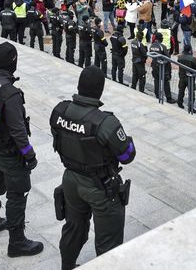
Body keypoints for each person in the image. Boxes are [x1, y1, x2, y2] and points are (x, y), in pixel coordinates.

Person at [50, 66, 135, 270]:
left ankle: (67, 266)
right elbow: (127, 156)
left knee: (73, 228)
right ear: (100, 90)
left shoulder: (60, 110)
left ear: (79, 86)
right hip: (100, 187)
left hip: (70, 180)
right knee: (109, 242)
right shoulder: (106, 122)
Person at [0, 42, 43, 258]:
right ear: (13, 61)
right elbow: (18, 130)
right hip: (11, 152)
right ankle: (17, 242)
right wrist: (30, 155)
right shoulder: (11, 94)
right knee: (17, 194)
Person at [149, 32, 175, 103]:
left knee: (156, 80)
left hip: (154, 66)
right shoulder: (162, 46)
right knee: (166, 82)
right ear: (160, 38)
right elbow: (168, 58)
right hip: (162, 67)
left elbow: (151, 54)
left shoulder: (152, 45)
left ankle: (157, 95)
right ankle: (169, 98)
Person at [176, 44, 196, 109]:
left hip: (182, 76)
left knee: (181, 90)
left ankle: (180, 103)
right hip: (190, 78)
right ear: (190, 50)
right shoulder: (192, 59)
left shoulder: (180, 57)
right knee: (191, 93)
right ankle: (191, 107)